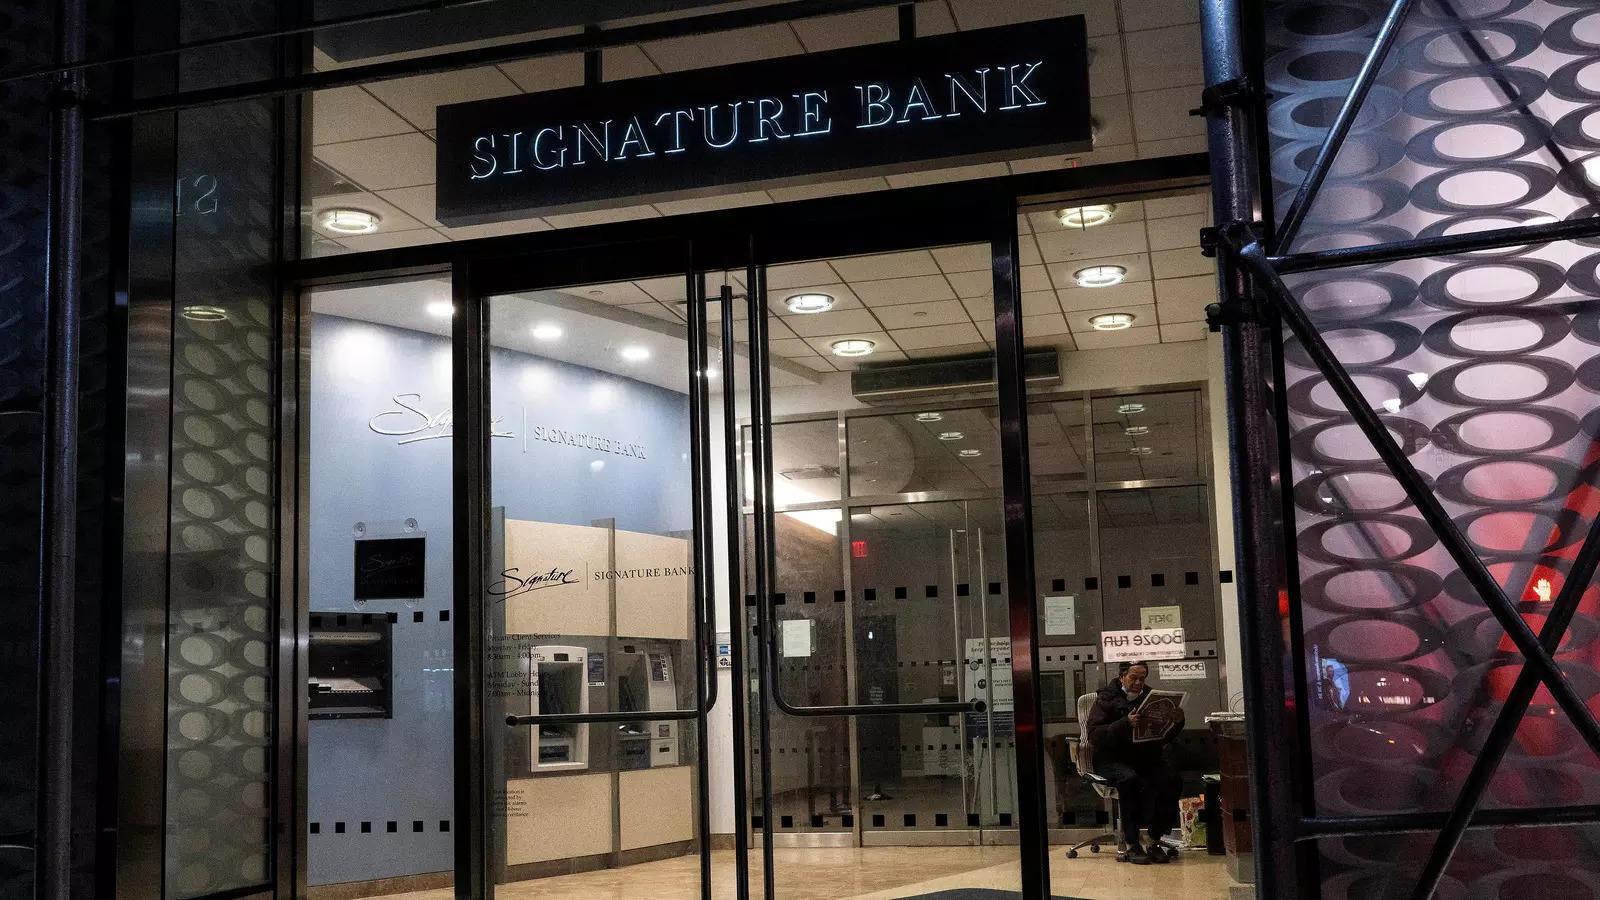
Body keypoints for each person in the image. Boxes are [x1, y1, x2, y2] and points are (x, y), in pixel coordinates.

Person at [1085, 661, 1185, 864]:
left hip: (1144, 757)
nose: (1139, 682)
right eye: (1134, 678)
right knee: (1130, 780)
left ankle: (1154, 838)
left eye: (1142, 678)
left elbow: (1163, 736)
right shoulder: (1105, 699)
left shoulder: (1150, 698)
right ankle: (1132, 844)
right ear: (1122, 677)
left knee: (1171, 780)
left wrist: (1177, 722)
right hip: (1111, 759)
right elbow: (1094, 735)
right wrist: (1124, 723)